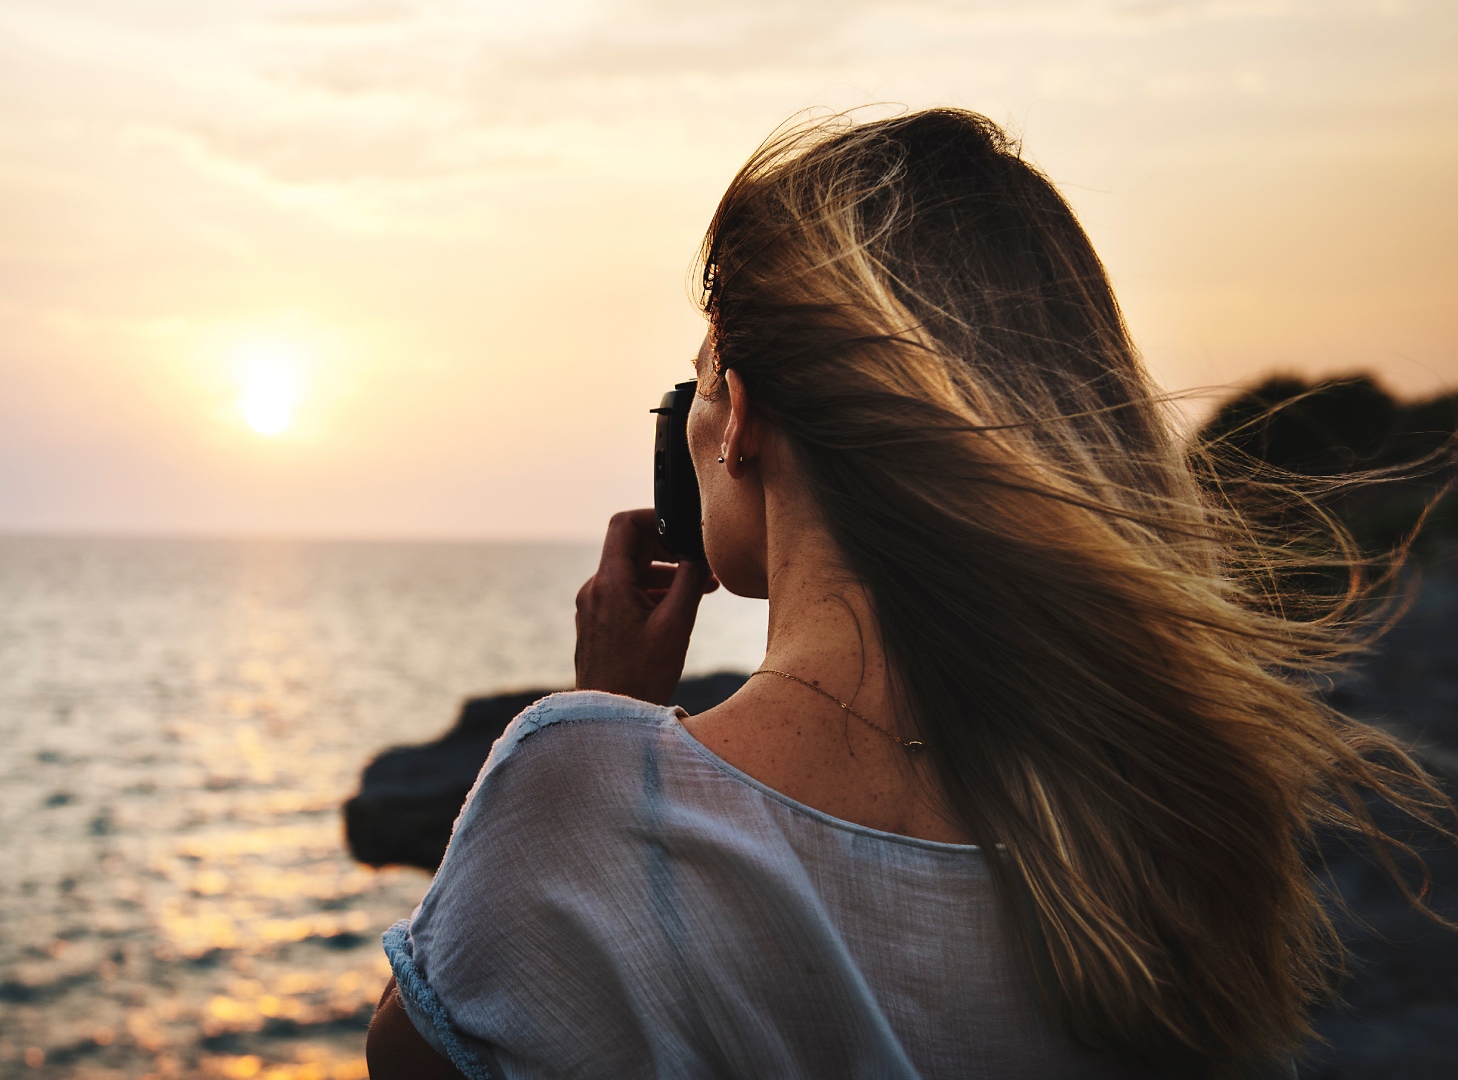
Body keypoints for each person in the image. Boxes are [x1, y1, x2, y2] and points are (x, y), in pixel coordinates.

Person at [362, 108, 1453, 1079]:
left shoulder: (581, 781)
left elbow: (416, 1058)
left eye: (697, 378)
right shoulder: (1170, 823)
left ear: (737, 414)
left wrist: (614, 716)